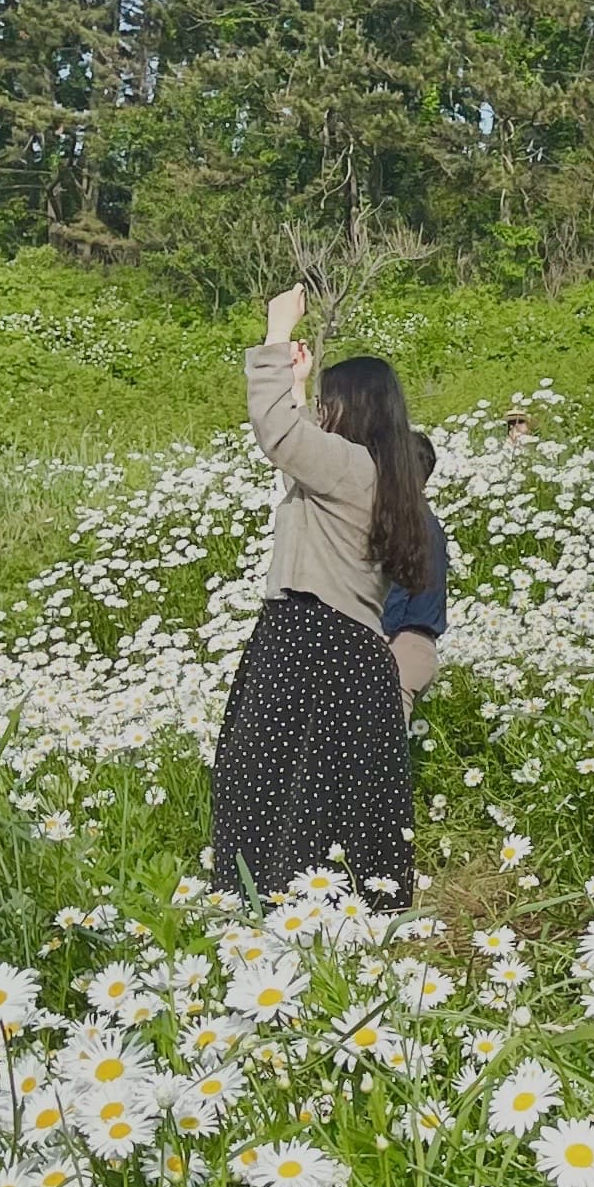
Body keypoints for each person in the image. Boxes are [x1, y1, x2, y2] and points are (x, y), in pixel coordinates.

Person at [207, 286, 430, 906]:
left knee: (269, 784)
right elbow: (298, 454)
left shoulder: (351, 468)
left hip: (308, 642)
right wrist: (300, 385)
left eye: (329, 403)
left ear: (351, 409)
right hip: (351, 653)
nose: (322, 415)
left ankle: (267, 913)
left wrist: (277, 330)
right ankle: (335, 923)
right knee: (328, 795)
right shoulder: (378, 477)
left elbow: (277, 433)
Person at [379, 431, 450, 712]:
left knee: (380, 751)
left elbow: (397, 588)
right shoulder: (426, 519)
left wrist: (374, 640)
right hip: (418, 649)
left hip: (400, 647)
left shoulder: (406, 521)